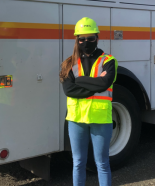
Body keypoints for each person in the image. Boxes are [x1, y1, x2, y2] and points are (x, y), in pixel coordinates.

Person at [60, 17, 118, 186]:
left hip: (100, 119)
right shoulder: (68, 63)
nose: (86, 42)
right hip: (76, 120)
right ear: (77, 40)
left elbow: (104, 83)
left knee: (102, 163)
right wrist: (94, 84)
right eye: (82, 39)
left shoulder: (108, 60)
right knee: (78, 163)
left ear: (97, 38)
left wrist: (79, 80)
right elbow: (69, 90)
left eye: (91, 38)